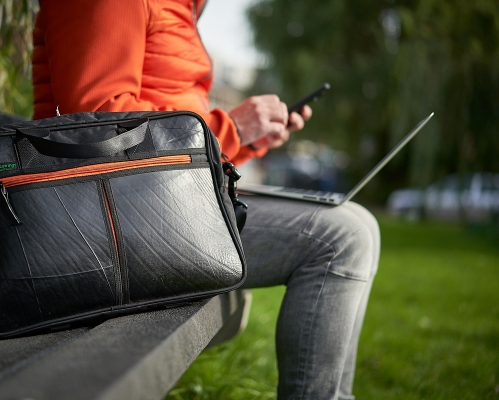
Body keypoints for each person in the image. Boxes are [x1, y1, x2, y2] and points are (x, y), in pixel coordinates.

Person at [32, 1, 380, 399]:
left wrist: (245, 140)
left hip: (157, 206)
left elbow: (177, 142)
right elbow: (98, 127)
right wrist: (229, 128)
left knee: (357, 224)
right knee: (341, 238)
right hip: (112, 223)